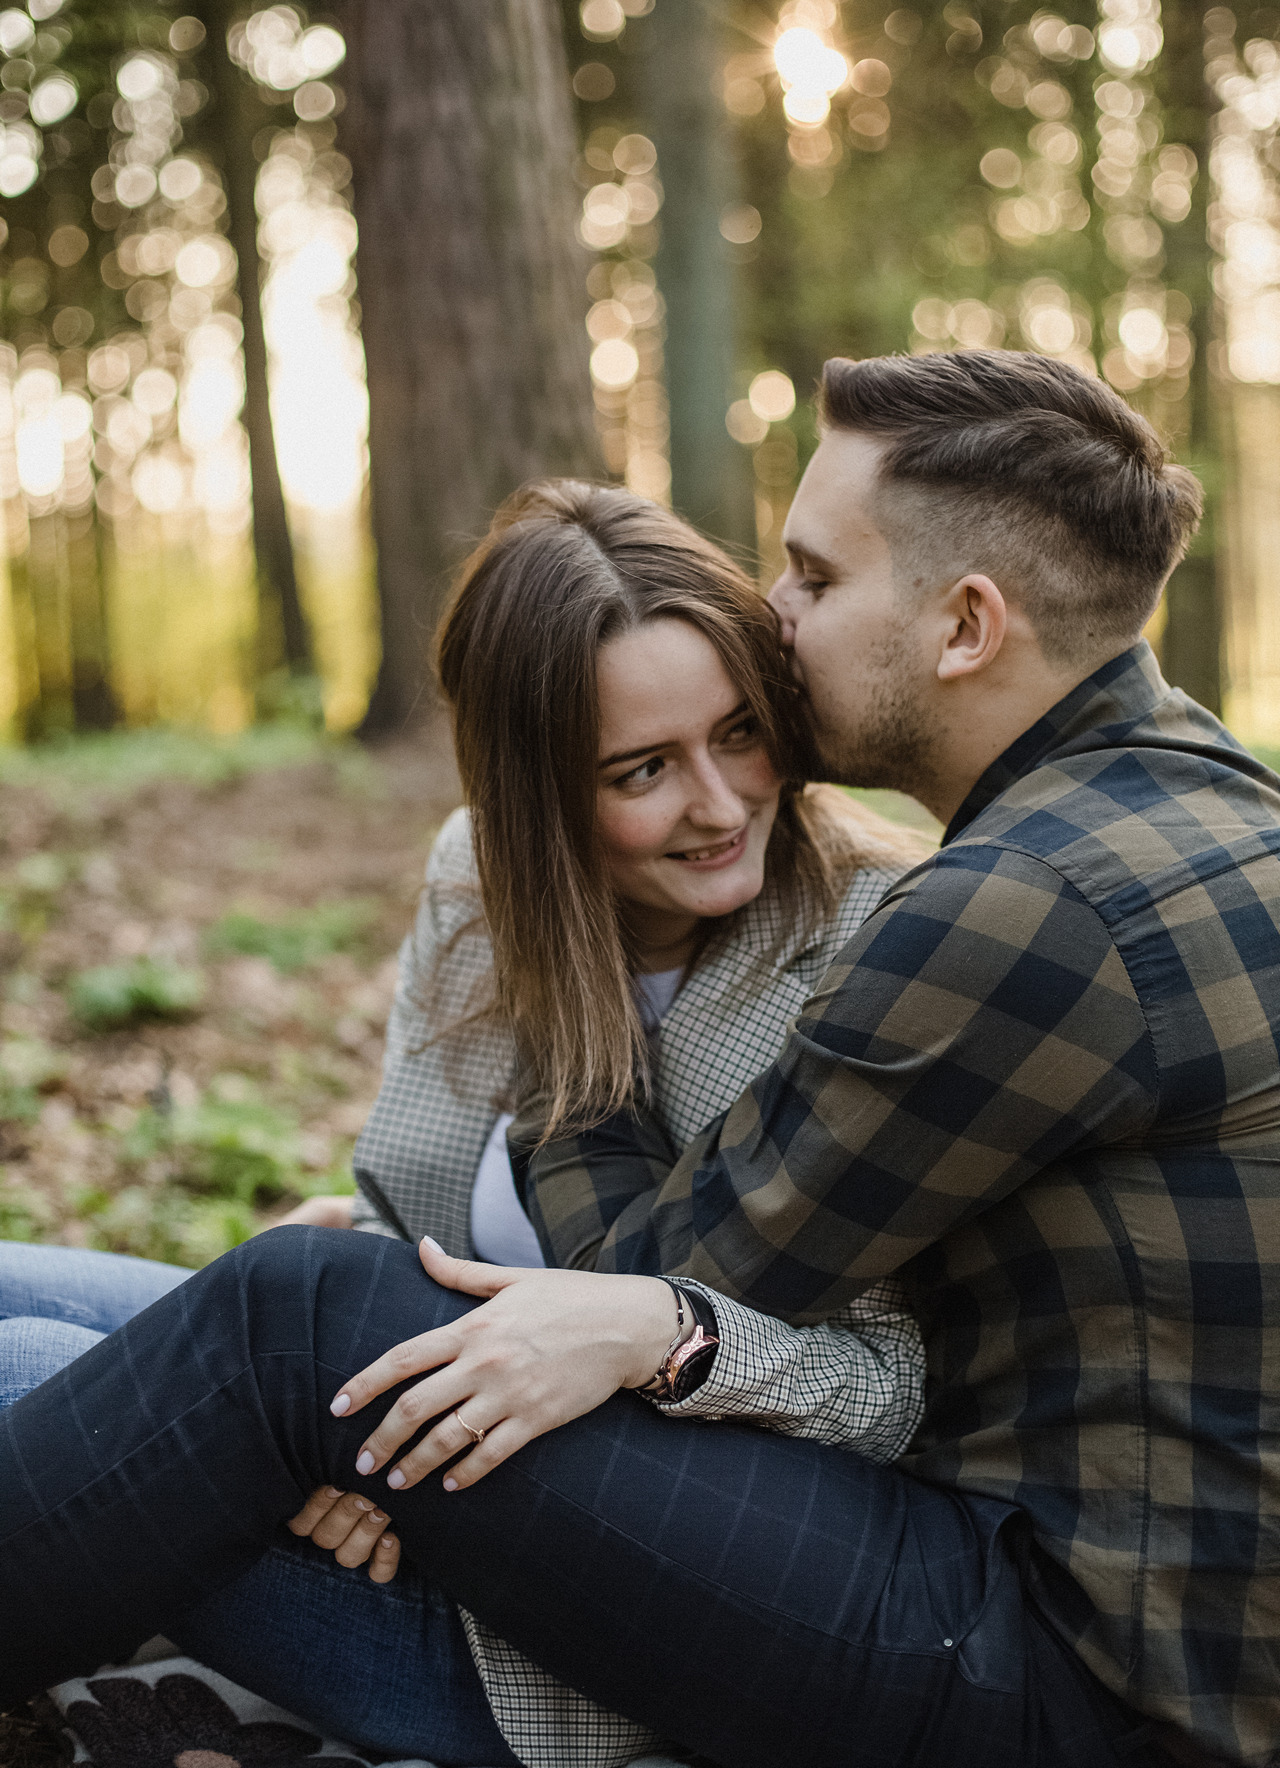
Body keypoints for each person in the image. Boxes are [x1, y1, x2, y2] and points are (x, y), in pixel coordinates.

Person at [2, 350, 1272, 1768]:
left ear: (966, 625)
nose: (774, 618)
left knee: (213, 1334)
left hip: (1058, 1662)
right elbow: (452, 1214)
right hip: (1098, 1612)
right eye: (635, 768)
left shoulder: (1007, 911)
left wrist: (576, 994)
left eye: (810, 576)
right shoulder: (1196, 808)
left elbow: (663, 1275)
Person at [0, 481, 928, 1768]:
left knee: (27, 1372)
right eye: (642, 771)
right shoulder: (475, 877)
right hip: (364, 1445)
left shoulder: (876, 942)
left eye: (742, 734)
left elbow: (894, 1398)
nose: (719, 804)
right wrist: (328, 1456)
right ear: (534, 791)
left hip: (547, 1633)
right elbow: (401, 1205)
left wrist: (653, 1341)